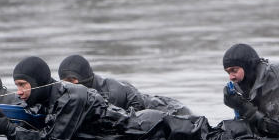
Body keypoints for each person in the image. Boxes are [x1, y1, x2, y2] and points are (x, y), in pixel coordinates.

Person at [0, 56, 200, 140]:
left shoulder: (71, 97)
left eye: (23, 85)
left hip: (146, 127)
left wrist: (8, 130)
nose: (19, 91)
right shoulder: (45, 98)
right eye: (16, 85)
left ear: (38, 83)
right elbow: (17, 113)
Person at [58, 54, 191, 115]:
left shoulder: (111, 95)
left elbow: (133, 118)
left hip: (171, 110)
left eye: (72, 80)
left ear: (83, 78)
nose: (69, 86)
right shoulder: (86, 92)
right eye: (65, 82)